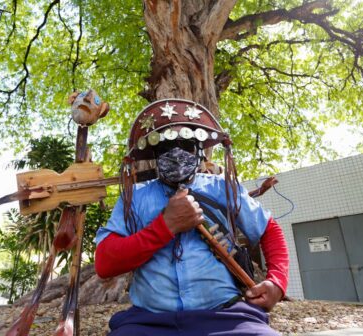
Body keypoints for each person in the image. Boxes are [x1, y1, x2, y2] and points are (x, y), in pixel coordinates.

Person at [95, 99, 289, 336]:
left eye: (186, 143)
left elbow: (269, 230)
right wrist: (165, 226)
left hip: (225, 317)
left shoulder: (223, 188)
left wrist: (277, 282)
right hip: (150, 321)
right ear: (155, 153)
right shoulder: (134, 198)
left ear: (199, 149)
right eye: (165, 145)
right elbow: (105, 263)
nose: (176, 153)